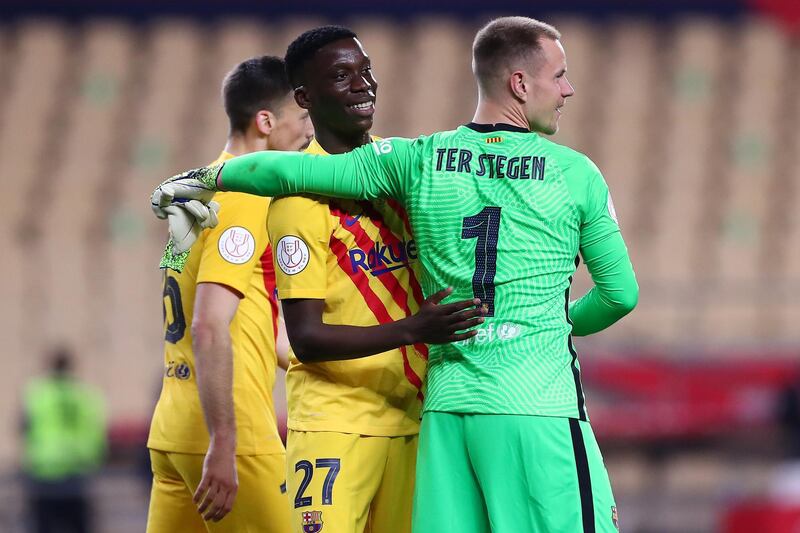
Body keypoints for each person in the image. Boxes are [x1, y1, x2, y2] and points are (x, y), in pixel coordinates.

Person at [152, 16, 639, 533]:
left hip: (439, 413)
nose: (569, 89)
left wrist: (199, 178)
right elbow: (621, 295)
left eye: (367, 69)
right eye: (560, 75)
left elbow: (286, 170)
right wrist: (550, 322)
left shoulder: (412, 161)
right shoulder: (573, 172)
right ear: (520, 84)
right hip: (524, 403)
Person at [269, 26, 482, 533]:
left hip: (416, 420)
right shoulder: (298, 198)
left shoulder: (406, 171)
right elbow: (306, 337)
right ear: (305, 97)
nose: (364, 85)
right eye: (342, 76)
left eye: (366, 71)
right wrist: (414, 329)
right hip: (336, 425)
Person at [146, 55, 313, 533]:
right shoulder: (243, 197)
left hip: (174, 429)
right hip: (230, 434)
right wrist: (224, 441)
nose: (308, 131)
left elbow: (257, 324)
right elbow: (209, 323)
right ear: (266, 121)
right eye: (301, 116)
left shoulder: (195, 193)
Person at [21, 346, 107, 533]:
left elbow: (24, 427)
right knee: (78, 526)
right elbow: (96, 431)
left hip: (45, 469)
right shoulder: (85, 394)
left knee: (43, 526)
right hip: (77, 470)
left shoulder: (37, 394)